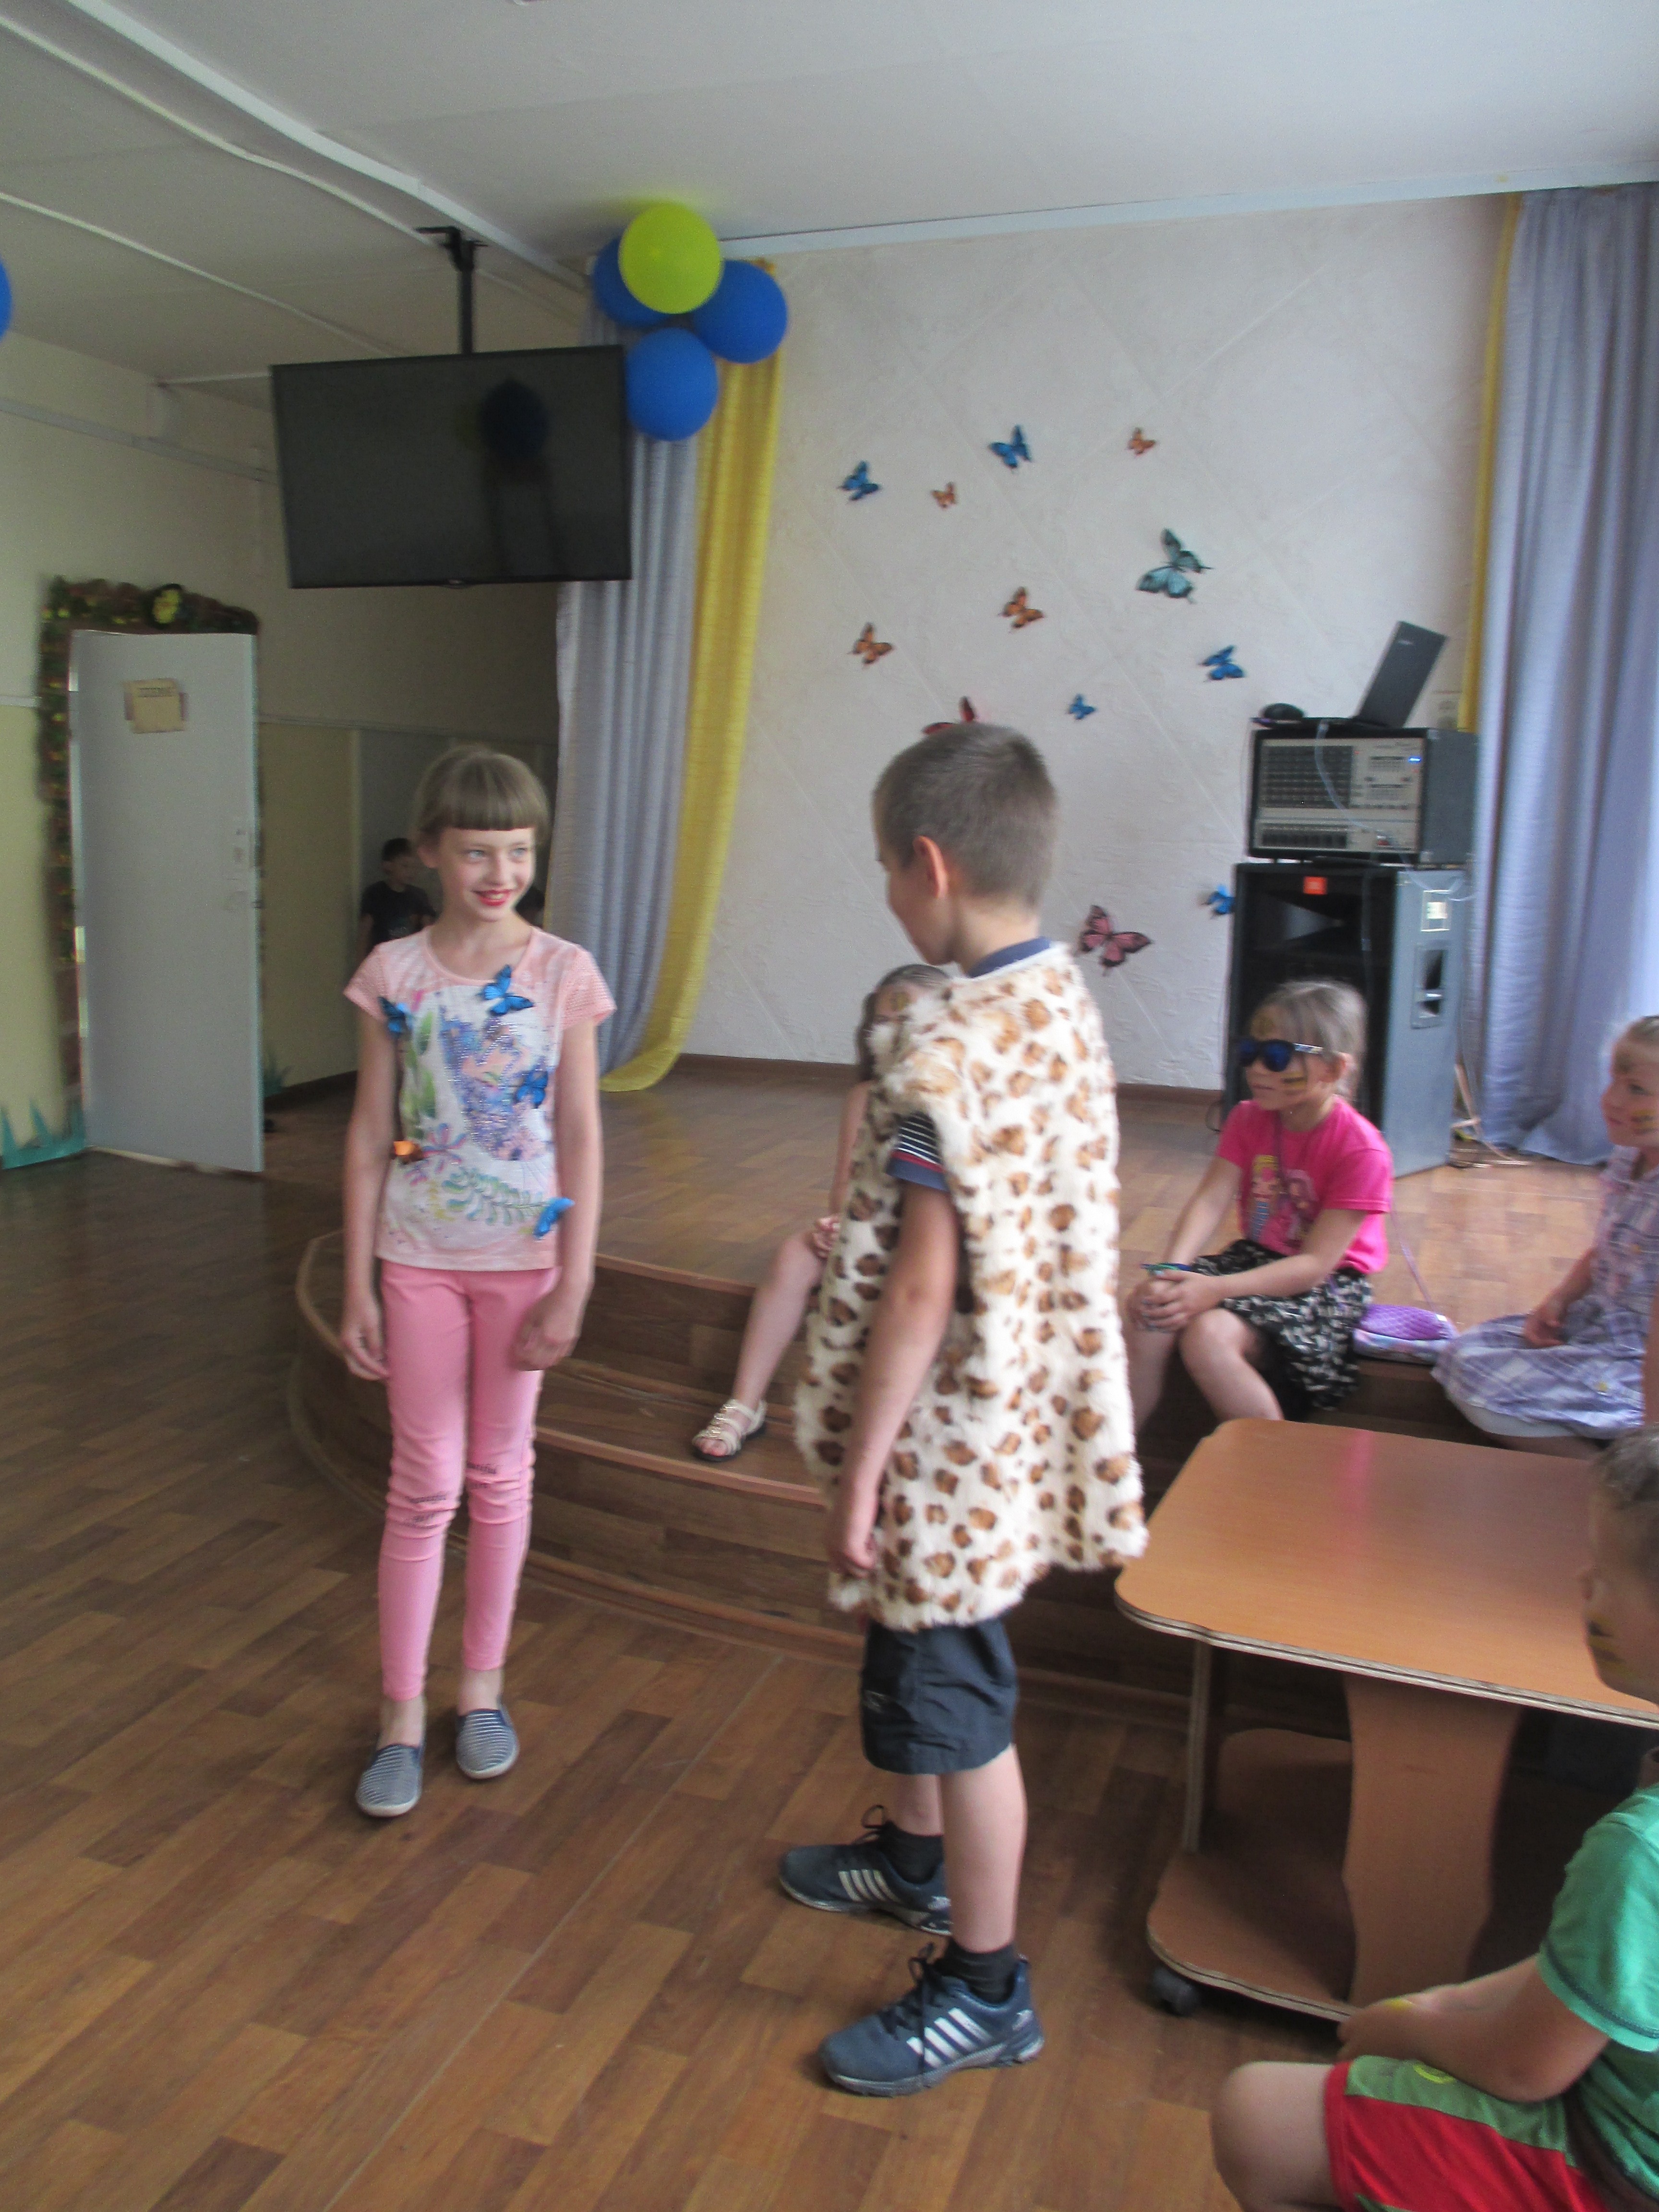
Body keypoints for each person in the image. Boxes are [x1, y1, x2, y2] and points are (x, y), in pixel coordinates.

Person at [781, 723, 1146, 2096]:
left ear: (928, 866)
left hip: (947, 1440)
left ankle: (987, 1988)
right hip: (1013, 1418)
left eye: (886, 871)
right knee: (923, 1662)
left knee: (958, 1703)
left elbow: (924, 1286)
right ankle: (914, 1865)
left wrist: (861, 1468)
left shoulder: (948, 1053)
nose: (887, 896)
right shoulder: (1052, 997)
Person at [1212, 1423, 1659, 2212]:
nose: (1583, 1581)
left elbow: (1525, 2067)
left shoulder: (1636, 1849)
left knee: (1257, 2116)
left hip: (1614, 2169)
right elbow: (1606, 1971)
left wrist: (1407, 2029)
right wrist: (1449, 2003)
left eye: (1606, 1569)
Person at [339, 746, 613, 1819]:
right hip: (417, 1261)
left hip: (523, 1269)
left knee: (501, 1476)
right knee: (423, 1485)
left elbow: (581, 1131)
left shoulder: (562, 971)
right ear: (430, 852)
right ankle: (401, 1715)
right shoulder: (393, 974)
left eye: (519, 851)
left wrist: (575, 1279)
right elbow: (370, 1131)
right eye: (476, 852)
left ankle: (482, 1693)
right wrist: (359, 1283)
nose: (501, 873)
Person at [689, 962, 946, 1463]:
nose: (897, 1033)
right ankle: (744, 1404)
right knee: (795, 1255)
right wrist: (843, 1224)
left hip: (931, 1247)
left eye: (912, 1020)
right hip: (873, 1231)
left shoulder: (962, 1101)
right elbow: (845, 1186)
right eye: (885, 1022)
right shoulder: (865, 1098)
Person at [1125, 979, 1392, 1428]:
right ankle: (1118, 1457)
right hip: (1255, 1259)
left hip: (1325, 1287)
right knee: (1149, 1314)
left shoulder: (1362, 1151)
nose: (1257, 1069)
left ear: (1333, 1068)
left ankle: (1272, 1463)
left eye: (1278, 1057)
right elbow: (1210, 1200)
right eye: (1250, 1052)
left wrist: (1215, 1290)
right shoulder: (1248, 1118)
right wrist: (1172, 1271)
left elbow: (1315, 1266)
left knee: (1209, 1337)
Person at [1435, 1019, 1659, 1458]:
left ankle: (1611, 1475)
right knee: (1463, 1355)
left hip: (1642, 1363)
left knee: (1484, 1390)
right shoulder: (1628, 1158)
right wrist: (1559, 1300)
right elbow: (1607, 1251)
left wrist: (1649, 1454)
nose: (1613, 1100)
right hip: (1601, 1329)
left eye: (1637, 1090)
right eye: (1613, 1080)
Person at [356, 836, 436, 962]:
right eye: (405, 866)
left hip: (411, 961)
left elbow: (429, 931)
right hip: (384, 960)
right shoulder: (375, 894)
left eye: (413, 867)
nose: (410, 871)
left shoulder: (419, 896)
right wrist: (361, 964)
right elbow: (364, 933)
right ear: (388, 866)